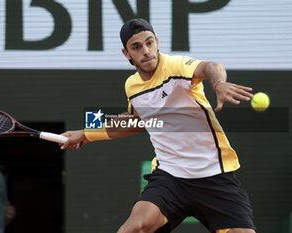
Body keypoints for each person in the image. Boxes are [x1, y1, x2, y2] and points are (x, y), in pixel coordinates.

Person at [60, 18, 256, 233]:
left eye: (149, 42)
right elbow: (135, 121)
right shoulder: (132, 85)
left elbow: (211, 67)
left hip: (214, 175)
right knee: (133, 228)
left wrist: (218, 83)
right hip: (170, 177)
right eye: (136, 47)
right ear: (127, 54)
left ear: (157, 43)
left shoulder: (175, 65)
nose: (146, 51)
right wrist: (85, 134)